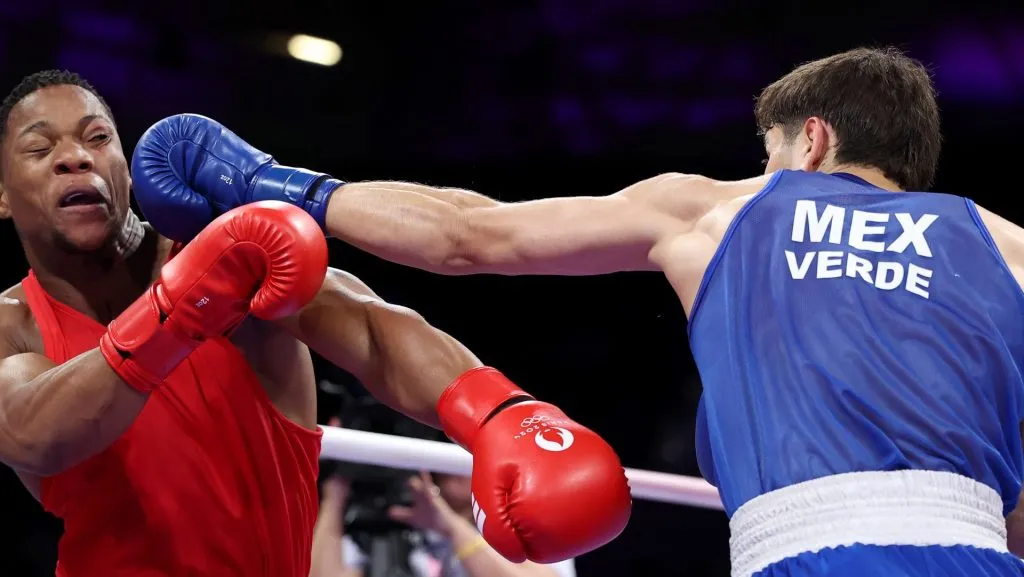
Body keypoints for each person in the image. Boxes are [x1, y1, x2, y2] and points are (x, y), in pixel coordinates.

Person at [132, 46, 1024, 576]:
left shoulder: (722, 207)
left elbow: (466, 235)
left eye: (769, 153)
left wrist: (270, 184)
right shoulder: (1009, 249)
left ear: (812, 140)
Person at [0, 70, 631, 576]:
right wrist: (178, 308)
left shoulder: (229, 258)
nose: (75, 158)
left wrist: (497, 414)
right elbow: (33, 433)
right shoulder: (13, 324)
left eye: (97, 137)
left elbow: (373, 329)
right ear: (2, 194)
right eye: (40, 147)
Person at [310, 419, 577, 577]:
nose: (463, 458)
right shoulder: (395, 522)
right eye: (451, 444)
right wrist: (335, 494)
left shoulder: (530, 524)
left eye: (473, 449)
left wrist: (450, 527)